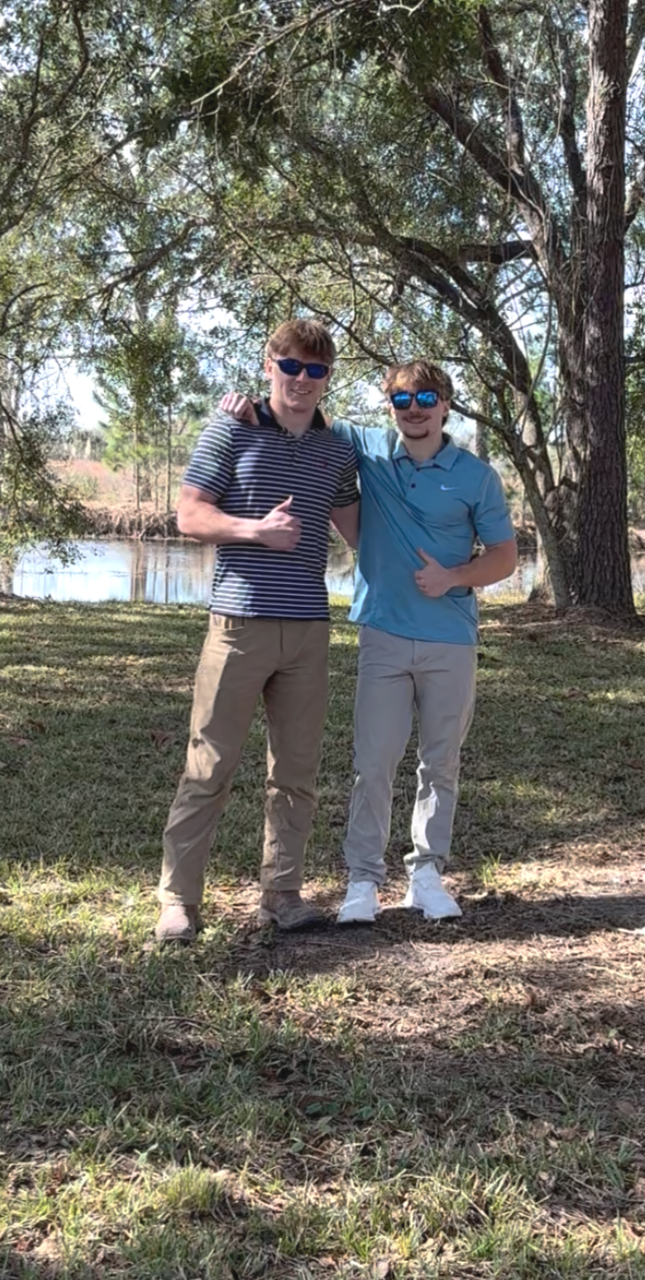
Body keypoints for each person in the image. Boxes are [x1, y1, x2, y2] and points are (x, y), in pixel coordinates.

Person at [220, 359, 517, 924]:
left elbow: (505, 557)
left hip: (450, 640)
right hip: (382, 633)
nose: (415, 412)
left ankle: (426, 876)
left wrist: (454, 578)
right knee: (373, 763)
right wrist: (249, 407)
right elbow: (302, 409)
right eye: (402, 401)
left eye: (426, 400)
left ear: (446, 405)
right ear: (390, 408)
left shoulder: (476, 476)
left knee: (441, 763)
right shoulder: (369, 447)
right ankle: (363, 881)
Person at [155, 320, 359, 943]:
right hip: (238, 624)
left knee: (296, 771)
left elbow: (360, 532)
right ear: (269, 364)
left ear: (327, 379)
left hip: (307, 630)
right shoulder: (230, 427)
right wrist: (253, 530)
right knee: (208, 765)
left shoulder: (336, 449)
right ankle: (178, 902)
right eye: (291, 366)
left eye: (315, 370)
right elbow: (188, 514)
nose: (301, 380)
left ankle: (283, 894)